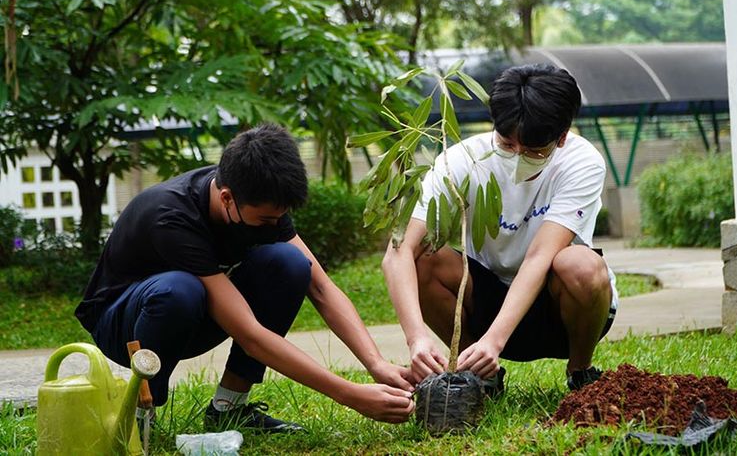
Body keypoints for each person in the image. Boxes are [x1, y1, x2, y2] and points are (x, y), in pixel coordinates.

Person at [75, 124, 415, 433]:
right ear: (227, 199)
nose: (275, 225)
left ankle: (229, 408)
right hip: (123, 324)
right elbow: (250, 335)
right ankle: (139, 415)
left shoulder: (257, 195)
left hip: (192, 311)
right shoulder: (171, 216)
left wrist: (376, 364)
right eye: (266, 219)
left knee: (291, 264)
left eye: (279, 218)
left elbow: (321, 287)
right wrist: (350, 395)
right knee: (179, 290)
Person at [382, 63, 618, 394]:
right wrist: (416, 337)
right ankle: (475, 372)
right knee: (423, 257)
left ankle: (580, 371)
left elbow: (539, 256)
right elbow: (398, 253)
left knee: (581, 264)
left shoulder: (582, 163)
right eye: (507, 144)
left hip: (558, 308)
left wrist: (495, 340)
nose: (518, 156)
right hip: (485, 298)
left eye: (535, 151)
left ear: (562, 137)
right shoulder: (462, 160)